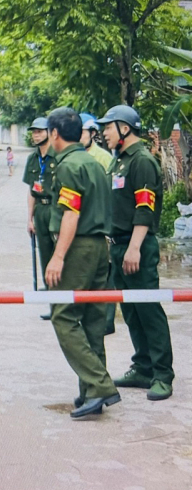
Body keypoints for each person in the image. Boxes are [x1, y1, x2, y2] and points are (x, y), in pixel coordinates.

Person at [43, 107, 119, 419]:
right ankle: (91, 390)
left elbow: (71, 213)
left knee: (63, 316)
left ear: (54, 134)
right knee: (92, 320)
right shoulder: (92, 162)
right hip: (102, 247)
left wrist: (58, 256)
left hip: (79, 247)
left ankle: (99, 386)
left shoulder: (69, 166)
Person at [98, 105, 174, 401]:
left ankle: (162, 374)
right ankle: (142, 367)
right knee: (130, 311)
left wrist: (134, 248)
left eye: (108, 127)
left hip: (136, 246)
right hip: (119, 246)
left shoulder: (141, 161)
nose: (103, 133)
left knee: (148, 310)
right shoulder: (120, 161)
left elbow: (145, 208)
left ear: (125, 128)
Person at [80, 113, 117, 335]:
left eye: (83, 132)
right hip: (83, 222)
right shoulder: (71, 157)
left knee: (106, 275)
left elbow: (112, 193)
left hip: (102, 222)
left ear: (92, 134)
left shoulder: (103, 158)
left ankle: (106, 322)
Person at [22, 117, 56, 320]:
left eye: (39, 131)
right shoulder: (33, 159)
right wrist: (30, 218)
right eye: (33, 131)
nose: (35, 135)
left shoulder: (58, 156)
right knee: (45, 258)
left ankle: (67, 307)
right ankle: (54, 307)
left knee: (62, 258)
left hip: (56, 208)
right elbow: (31, 191)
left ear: (50, 132)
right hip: (40, 212)